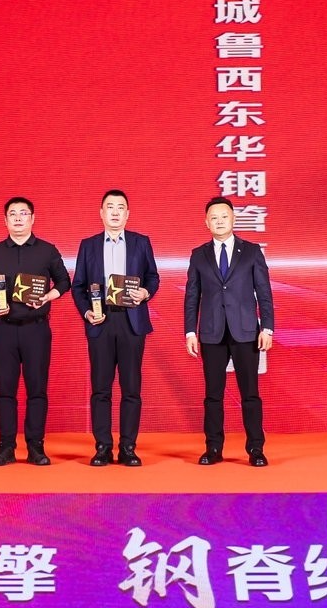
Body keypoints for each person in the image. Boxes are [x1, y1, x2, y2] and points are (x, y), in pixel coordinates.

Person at [0, 196, 71, 466]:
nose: (18, 218)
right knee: (5, 390)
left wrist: (47, 296)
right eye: (13, 214)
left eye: (23, 213)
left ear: (32, 218)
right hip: (4, 329)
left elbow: (64, 281)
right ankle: (5, 447)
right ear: (5, 220)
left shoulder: (47, 251)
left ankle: (36, 447)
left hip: (36, 330)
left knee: (37, 389)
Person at [71, 189, 161, 466]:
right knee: (101, 388)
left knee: (131, 388)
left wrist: (145, 292)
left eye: (120, 207)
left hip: (131, 321)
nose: (115, 212)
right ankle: (102, 447)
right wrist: (87, 312)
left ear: (127, 214)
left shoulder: (141, 242)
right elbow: (78, 286)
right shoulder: (88, 245)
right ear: (101, 213)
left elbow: (153, 277)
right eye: (110, 207)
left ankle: (128, 447)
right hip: (101, 321)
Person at [183, 195, 274, 466]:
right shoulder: (198, 255)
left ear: (234, 219)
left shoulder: (252, 252)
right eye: (214, 218)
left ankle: (255, 449)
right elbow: (192, 296)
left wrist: (267, 328)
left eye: (224, 216)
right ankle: (213, 448)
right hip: (211, 333)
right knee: (213, 395)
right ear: (206, 222)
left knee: (250, 394)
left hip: (246, 331)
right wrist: (190, 332)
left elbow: (264, 292)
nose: (219, 221)